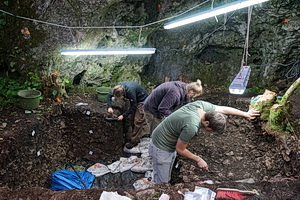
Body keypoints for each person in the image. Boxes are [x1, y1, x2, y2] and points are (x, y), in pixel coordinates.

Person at [149, 100, 260, 184]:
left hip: (164, 137)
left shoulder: (201, 105)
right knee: (162, 183)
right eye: (211, 130)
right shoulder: (191, 126)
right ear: (207, 123)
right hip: (161, 146)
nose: (210, 133)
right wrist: (198, 159)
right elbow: (180, 149)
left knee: (163, 171)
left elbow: (224, 109)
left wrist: (246, 114)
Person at [106, 81, 148, 149]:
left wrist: (123, 115)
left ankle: (134, 141)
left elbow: (133, 107)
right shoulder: (117, 88)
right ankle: (133, 134)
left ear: (122, 94)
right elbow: (108, 95)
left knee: (138, 121)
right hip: (134, 98)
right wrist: (109, 107)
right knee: (132, 120)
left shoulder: (130, 92)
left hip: (142, 100)